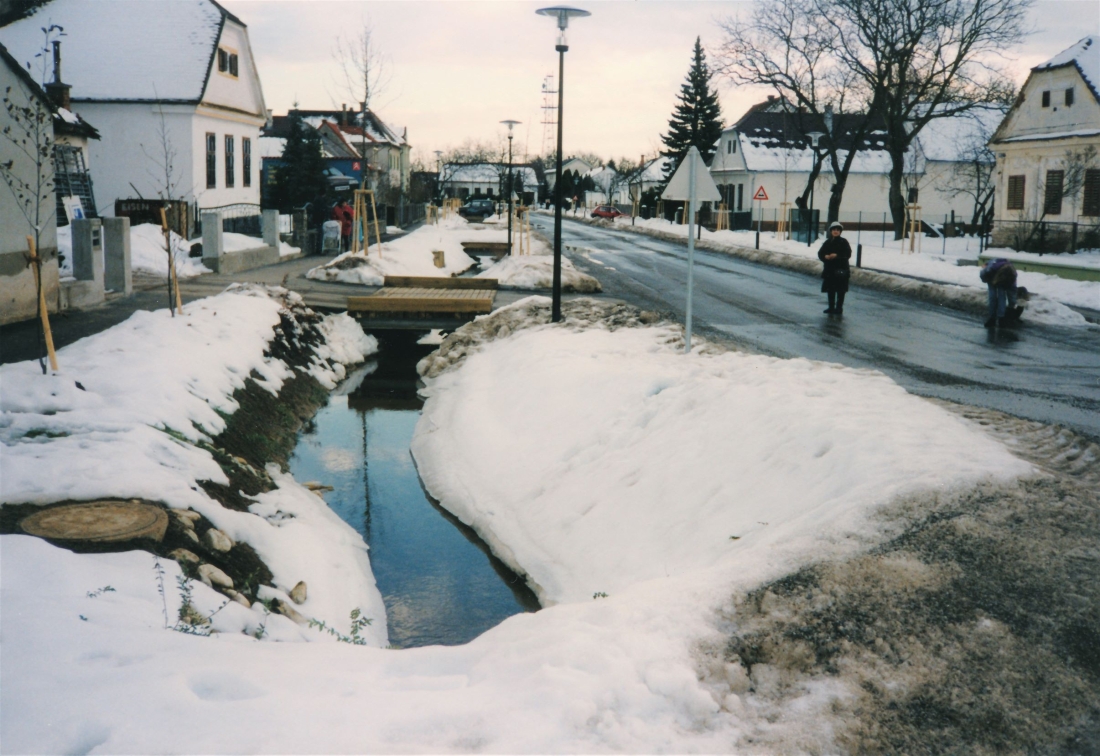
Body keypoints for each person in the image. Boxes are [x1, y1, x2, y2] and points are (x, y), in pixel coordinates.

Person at [817, 221, 852, 314]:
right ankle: (831, 307)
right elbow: (820, 253)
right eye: (834, 230)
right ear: (831, 231)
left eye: (837, 230)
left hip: (841, 269)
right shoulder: (828, 242)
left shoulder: (843, 242)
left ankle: (839, 308)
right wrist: (825, 256)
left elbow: (848, 253)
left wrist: (837, 255)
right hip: (829, 270)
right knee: (830, 289)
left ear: (840, 231)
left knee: (841, 290)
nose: (836, 231)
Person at [979, 258, 1022, 328]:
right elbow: (984, 276)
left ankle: (996, 318)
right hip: (991, 275)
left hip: (1001, 274)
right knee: (996, 296)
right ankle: (998, 318)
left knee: (998, 296)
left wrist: (1012, 303)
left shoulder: (1011, 274)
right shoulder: (989, 270)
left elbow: (1012, 288)